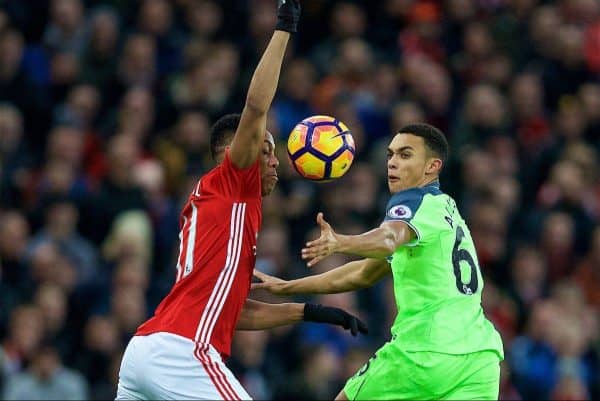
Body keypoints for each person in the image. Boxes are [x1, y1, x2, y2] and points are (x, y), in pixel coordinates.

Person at [115, 2, 367, 400]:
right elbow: (256, 107)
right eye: (266, 149)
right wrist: (284, 28)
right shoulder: (234, 180)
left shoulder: (223, 212)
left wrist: (311, 312)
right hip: (183, 352)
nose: (274, 160)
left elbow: (235, 313)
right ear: (233, 151)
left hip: (146, 352)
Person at [253, 123, 505, 400]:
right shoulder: (445, 211)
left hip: (424, 352)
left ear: (432, 167)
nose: (393, 163)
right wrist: (290, 286)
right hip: (480, 358)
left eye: (405, 155)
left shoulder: (415, 202)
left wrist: (341, 242)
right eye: (390, 155)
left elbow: (387, 238)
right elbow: (364, 273)